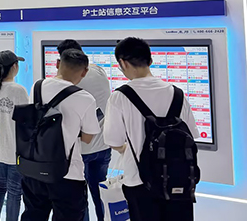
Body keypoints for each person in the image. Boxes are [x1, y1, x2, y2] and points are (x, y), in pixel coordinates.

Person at [104, 37, 199, 221]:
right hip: (178, 178)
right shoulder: (177, 93)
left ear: (123, 63)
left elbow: (113, 140)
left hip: (139, 180)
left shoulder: (120, 97)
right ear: (151, 60)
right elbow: (191, 135)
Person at [21, 49, 100, 221]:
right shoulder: (85, 98)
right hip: (67, 174)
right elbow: (88, 139)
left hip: (33, 168)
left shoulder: (37, 86)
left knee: (33, 215)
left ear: (57, 64)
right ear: (84, 72)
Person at [57, 40, 112, 221]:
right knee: (100, 193)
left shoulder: (66, 82)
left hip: (80, 149)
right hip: (103, 146)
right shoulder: (99, 71)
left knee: (79, 196)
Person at [0, 51, 29, 221]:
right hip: (14, 150)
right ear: (14, 67)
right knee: (14, 191)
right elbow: (27, 121)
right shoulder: (19, 90)